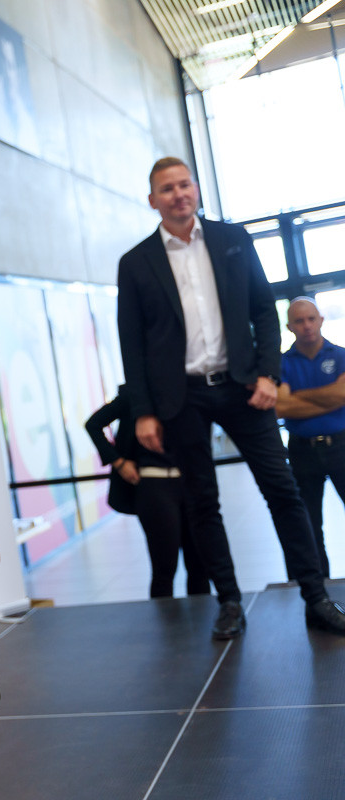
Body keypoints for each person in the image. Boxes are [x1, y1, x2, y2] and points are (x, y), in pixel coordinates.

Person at [117, 156, 345, 640]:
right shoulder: (135, 263)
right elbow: (131, 344)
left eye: (185, 184)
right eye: (167, 188)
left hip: (244, 388)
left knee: (282, 491)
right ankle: (229, 603)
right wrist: (143, 413)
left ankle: (316, 596)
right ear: (153, 200)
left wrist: (268, 374)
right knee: (202, 502)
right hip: (181, 397)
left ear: (196, 189)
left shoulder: (233, 239)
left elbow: (264, 308)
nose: (179, 194)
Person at [85, 388, 210, 598]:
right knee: (164, 568)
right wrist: (119, 462)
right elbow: (93, 425)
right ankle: (164, 618)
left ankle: (203, 616)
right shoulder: (135, 395)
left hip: (191, 481)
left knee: (200, 565)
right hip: (154, 484)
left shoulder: (188, 389)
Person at [277, 296, 345, 578]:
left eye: (311, 319)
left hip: (341, 445)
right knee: (307, 524)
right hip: (302, 451)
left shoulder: (340, 355)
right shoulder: (281, 363)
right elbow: (280, 406)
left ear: (321, 320)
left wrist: (297, 397)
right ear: (289, 326)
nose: (306, 325)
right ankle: (318, 589)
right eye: (299, 321)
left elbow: (343, 394)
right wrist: (332, 397)